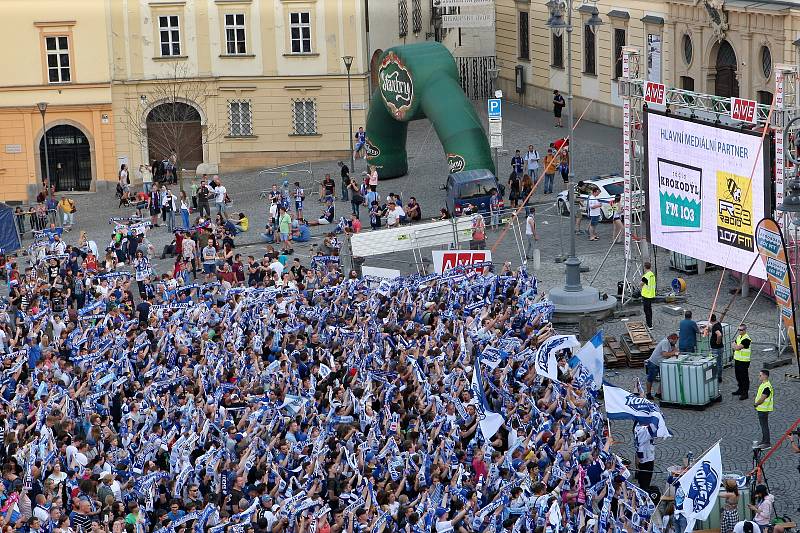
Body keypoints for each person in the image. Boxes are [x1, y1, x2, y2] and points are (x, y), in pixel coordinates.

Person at [645, 332, 679, 399]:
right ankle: (648, 394)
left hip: (661, 363)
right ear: (671, 339)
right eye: (675, 341)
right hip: (654, 363)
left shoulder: (671, 344)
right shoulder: (665, 342)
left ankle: (658, 393)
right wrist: (674, 353)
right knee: (650, 379)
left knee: (664, 378)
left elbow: (675, 350)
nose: (676, 343)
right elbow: (665, 354)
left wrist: (674, 351)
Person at [633, 421, 656, 490]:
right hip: (646, 459)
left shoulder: (637, 426)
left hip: (642, 457)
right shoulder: (644, 429)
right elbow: (654, 428)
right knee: (645, 484)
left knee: (642, 482)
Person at [732, 323, 752, 400]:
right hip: (737, 360)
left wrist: (736, 346)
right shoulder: (739, 337)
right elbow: (733, 344)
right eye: (739, 330)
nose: (739, 331)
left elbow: (737, 347)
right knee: (738, 376)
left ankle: (745, 393)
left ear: (745, 330)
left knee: (744, 378)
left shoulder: (747, 339)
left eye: (741, 330)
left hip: (744, 361)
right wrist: (735, 346)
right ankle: (740, 390)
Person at [754, 369, 773, 447]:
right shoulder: (764, 384)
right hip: (762, 409)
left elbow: (762, 398)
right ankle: (764, 440)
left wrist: (756, 404)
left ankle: (766, 442)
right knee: (764, 425)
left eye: (760, 375)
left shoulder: (767, 386)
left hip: (763, 409)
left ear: (765, 376)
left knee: (764, 426)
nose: (759, 377)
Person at [708, 313, 725, 383]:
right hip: (720, 347)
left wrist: (718, 342)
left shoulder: (715, 327)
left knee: (717, 363)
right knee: (719, 363)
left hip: (716, 348)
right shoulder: (717, 324)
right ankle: (719, 377)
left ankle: (718, 378)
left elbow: (719, 335)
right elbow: (720, 319)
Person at [641, 261, 656, 329]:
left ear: (645, 267)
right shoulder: (652, 274)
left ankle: (649, 325)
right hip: (651, 294)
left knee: (646, 310)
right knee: (649, 309)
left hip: (646, 295)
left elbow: (641, 284)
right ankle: (650, 323)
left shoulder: (646, 276)